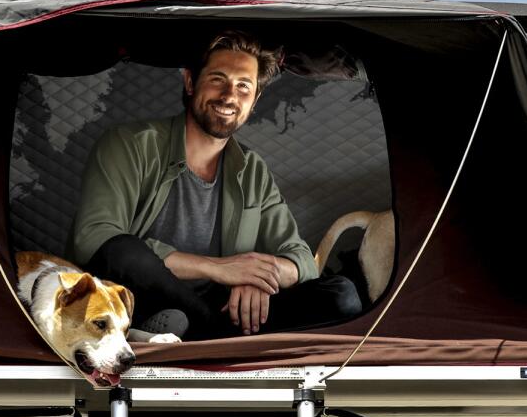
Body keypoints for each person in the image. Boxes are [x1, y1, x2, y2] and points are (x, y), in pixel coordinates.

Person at [70, 31, 361, 340]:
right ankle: (211, 334)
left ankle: (198, 332)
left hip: (223, 308)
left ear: (255, 100)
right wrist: (219, 268)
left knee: (341, 295)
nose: (229, 96)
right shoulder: (129, 144)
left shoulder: (252, 170)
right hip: (136, 299)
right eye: (217, 79)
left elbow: (301, 259)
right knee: (122, 251)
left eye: (243, 87)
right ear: (190, 81)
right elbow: (95, 240)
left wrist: (257, 275)